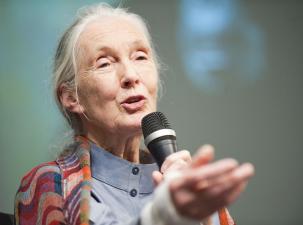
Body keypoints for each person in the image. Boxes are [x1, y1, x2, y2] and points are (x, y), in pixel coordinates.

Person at [14, 3, 254, 225]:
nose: (131, 75)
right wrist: (164, 215)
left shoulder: (185, 186)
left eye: (140, 57)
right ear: (71, 97)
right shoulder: (50, 185)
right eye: (105, 63)